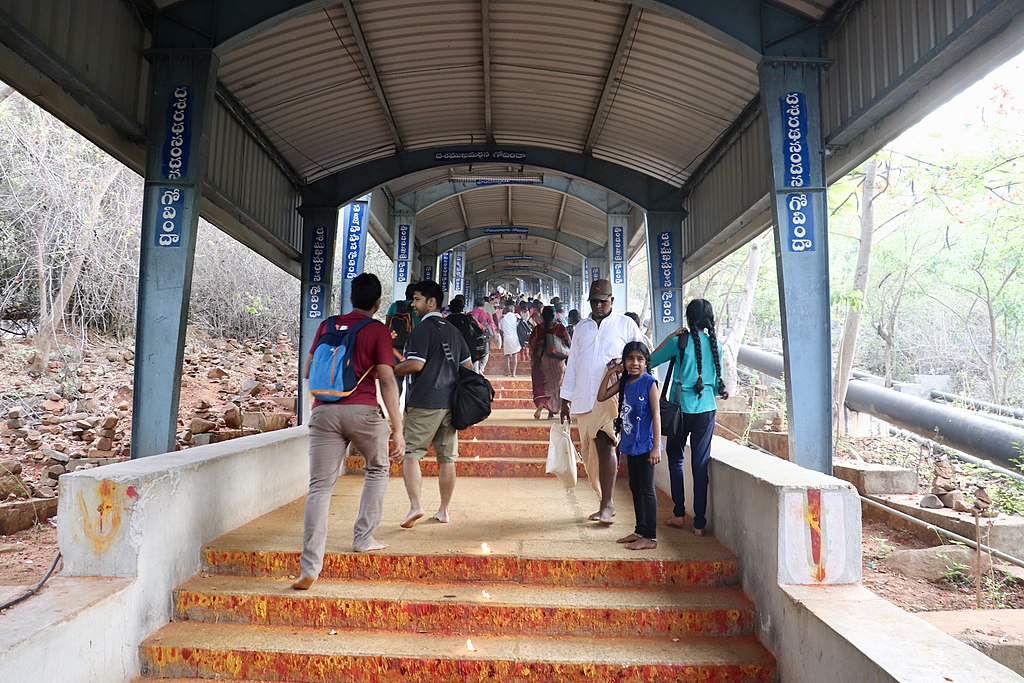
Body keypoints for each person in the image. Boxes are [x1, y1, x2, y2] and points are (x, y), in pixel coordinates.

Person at [292, 273, 404, 591]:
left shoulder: (327, 325)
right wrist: (397, 428)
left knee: (319, 489)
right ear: (378, 302)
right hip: (363, 412)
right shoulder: (377, 330)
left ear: (351, 297)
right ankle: (364, 538)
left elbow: (307, 370)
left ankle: (310, 566)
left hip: (324, 412)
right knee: (378, 468)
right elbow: (386, 378)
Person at [559, 279, 647, 524]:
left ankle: (607, 504)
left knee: (605, 442)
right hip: (582, 396)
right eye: (594, 302)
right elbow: (573, 363)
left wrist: (625, 368)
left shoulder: (625, 324)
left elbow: (641, 354)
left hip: (611, 396)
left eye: (603, 301)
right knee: (589, 452)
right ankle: (604, 498)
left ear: (612, 301)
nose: (598, 305)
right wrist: (565, 399)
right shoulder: (582, 328)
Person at [394, 280, 473, 528]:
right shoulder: (453, 331)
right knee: (447, 458)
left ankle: (416, 506)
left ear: (432, 302)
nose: (413, 304)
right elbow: (468, 368)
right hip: (450, 403)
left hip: (424, 400)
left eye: (417, 299)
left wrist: (390, 370)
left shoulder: (422, 330)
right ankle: (443, 511)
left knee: (411, 454)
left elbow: (416, 364)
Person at [649, 298, 728, 537]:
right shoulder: (717, 346)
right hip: (705, 410)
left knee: (676, 459)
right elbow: (716, 386)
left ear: (688, 318)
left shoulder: (678, 341)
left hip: (679, 410)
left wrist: (671, 336)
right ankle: (700, 524)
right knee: (700, 465)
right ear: (709, 320)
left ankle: (679, 513)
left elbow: (649, 360)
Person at [596, 341, 661, 550]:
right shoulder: (625, 382)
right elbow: (602, 396)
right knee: (635, 487)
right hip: (630, 443)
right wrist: (610, 373)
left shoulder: (649, 383)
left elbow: (656, 415)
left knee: (647, 489)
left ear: (646, 362)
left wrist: (656, 447)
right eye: (630, 359)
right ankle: (640, 530)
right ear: (624, 362)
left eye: (640, 359)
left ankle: (650, 536)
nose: (635, 363)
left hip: (646, 444)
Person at [528, 305, 571, 420]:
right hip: (557, 361)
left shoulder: (537, 329)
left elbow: (532, 346)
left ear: (542, 316)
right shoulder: (560, 328)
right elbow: (569, 342)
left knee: (542, 385)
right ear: (554, 316)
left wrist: (534, 360)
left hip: (542, 361)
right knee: (556, 386)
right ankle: (551, 412)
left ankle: (542, 403)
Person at [447, 295, 488, 371]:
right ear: (462, 308)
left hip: (451, 353)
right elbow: (479, 332)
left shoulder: (446, 321)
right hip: (469, 351)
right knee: (473, 373)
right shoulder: (468, 318)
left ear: (451, 309)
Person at [469, 297, 498, 373]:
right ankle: (481, 367)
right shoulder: (486, 314)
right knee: (486, 352)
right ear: (483, 305)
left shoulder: (470, 314)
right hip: (483, 337)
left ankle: (475, 369)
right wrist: (494, 334)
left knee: (473, 352)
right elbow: (492, 325)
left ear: (474, 304)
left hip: (472, 337)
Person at [498, 302, 521, 376]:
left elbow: (500, 328)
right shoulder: (516, 316)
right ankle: (514, 373)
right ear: (513, 310)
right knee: (514, 355)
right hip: (514, 337)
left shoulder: (502, 318)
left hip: (506, 337)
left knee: (506, 356)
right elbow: (519, 323)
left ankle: (507, 371)